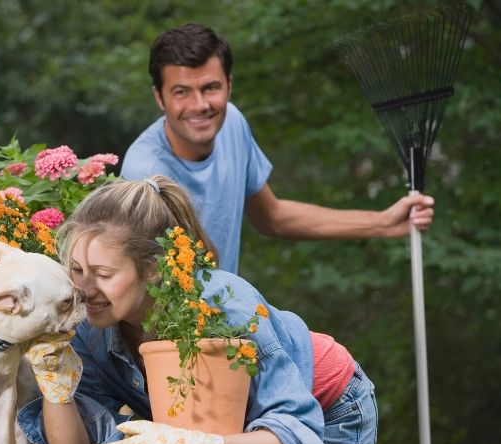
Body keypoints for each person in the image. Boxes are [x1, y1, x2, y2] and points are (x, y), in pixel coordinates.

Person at [18, 176, 377, 444]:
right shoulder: (89, 327)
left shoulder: (224, 306)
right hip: (233, 434)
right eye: (76, 270)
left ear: (154, 269)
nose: (82, 289)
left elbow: (294, 442)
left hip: (329, 409)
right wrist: (56, 387)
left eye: (103, 274)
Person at [121, 22, 435, 274]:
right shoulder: (144, 173)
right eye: (182, 92)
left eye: (210, 87)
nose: (200, 104)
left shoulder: (232, 125)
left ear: (229, 85)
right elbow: (144, 286)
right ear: (160, 97)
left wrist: (383, 222)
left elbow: (273, 217)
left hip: (222, 320)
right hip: (166, 336)